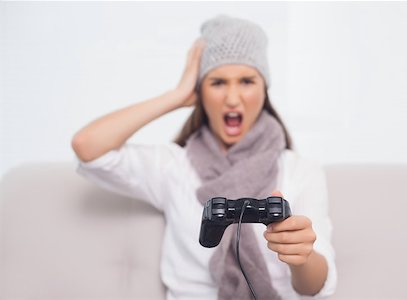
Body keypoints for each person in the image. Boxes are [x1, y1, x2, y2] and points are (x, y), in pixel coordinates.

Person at [71, 14, 337, 300]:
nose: (232, 98)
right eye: (217, 82)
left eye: (247, 81)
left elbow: (316, 286)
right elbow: (87, 146)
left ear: (264, 90)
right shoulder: (172, 166)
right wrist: (176, 96)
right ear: (200, 92)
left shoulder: (300, 170)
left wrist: (302, 256)